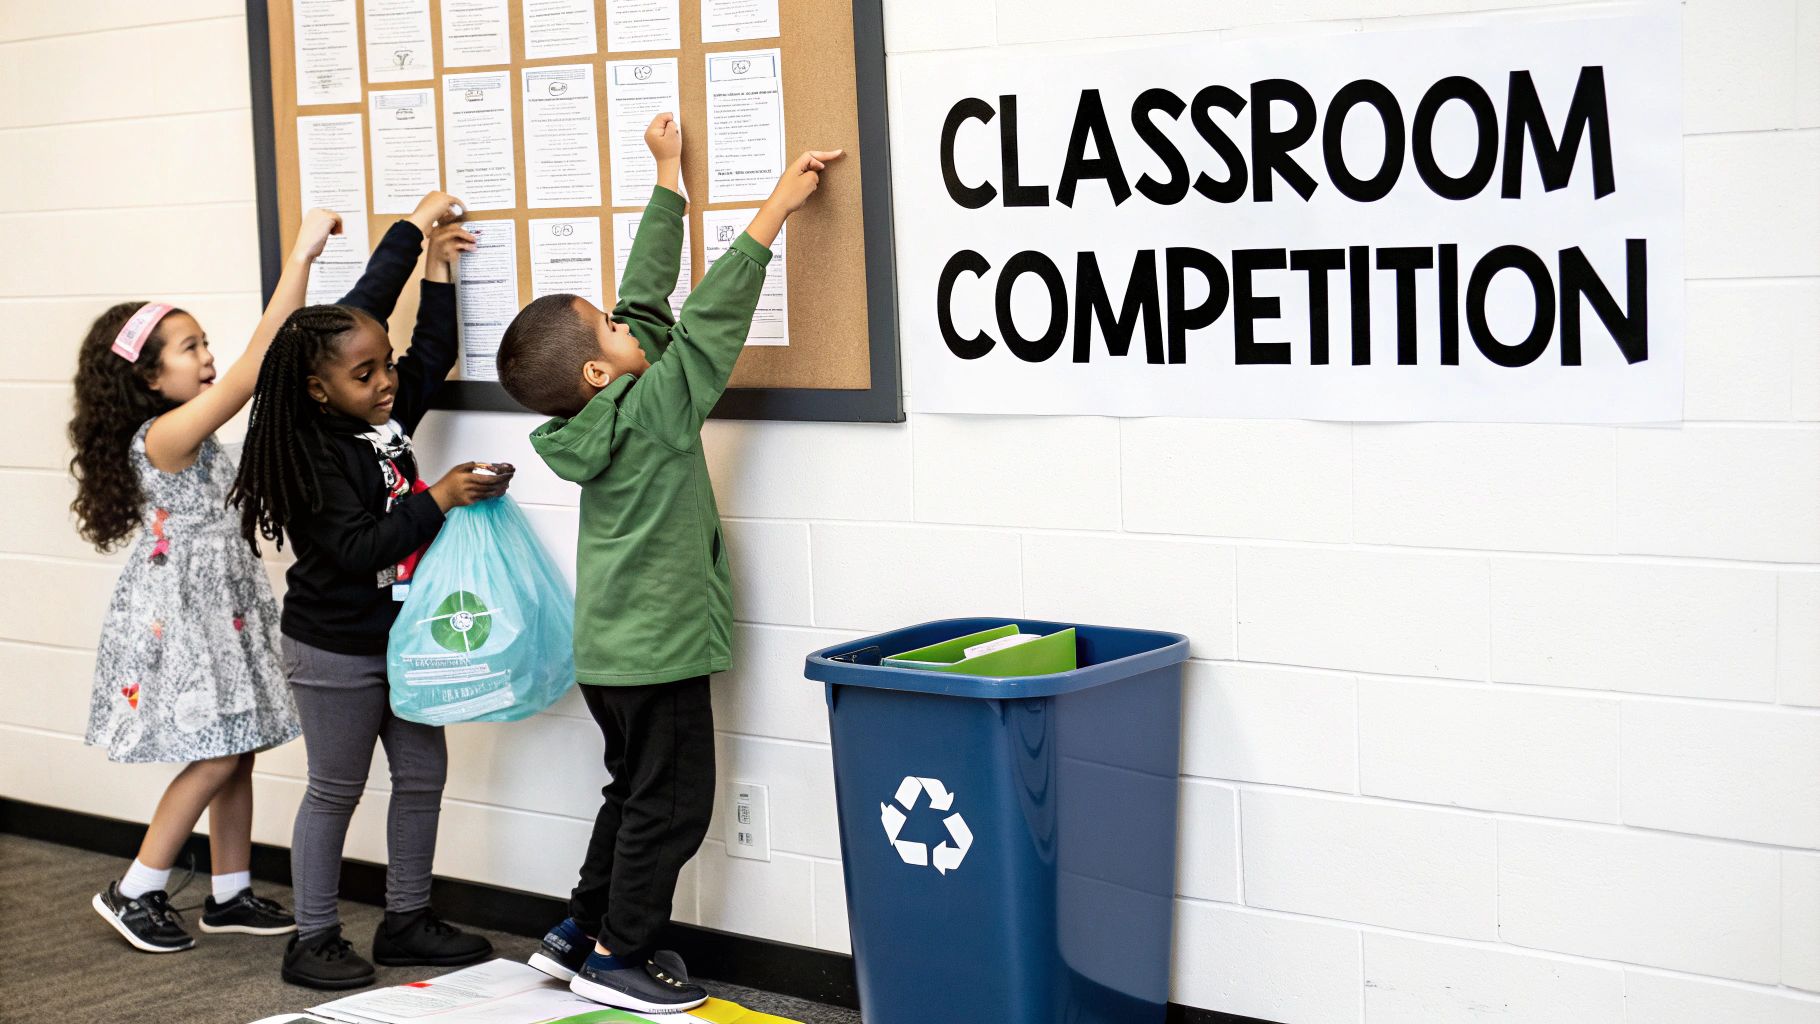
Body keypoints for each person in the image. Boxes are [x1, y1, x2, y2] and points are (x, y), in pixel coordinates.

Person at [494, 111, 842, 1013]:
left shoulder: (602, 410)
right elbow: (712, 321)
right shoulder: (656, 408)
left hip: (612, 653)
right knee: (674, 806)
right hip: (658, 653)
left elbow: (645, 302)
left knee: (632, 791)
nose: (626, 323)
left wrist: (667, 180)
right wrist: (774, 211)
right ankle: (620, 954)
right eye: (609, 331)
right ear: (606, 372)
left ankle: (579, 929)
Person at [228, 191, 515, 990]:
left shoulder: (382, 416)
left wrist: (434, 265)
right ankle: (312, 936)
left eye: (384, 365)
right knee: (335, 790)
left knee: (423, 776)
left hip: (406, 639)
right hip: (334, 648)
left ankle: (407, 919)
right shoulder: (315, 452)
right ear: (320, 389)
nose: (388, 380)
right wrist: (440, 497)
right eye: (366, 373)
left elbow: (424, 346)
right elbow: (356, 548)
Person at [72, 208, 344, 954]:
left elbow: (254, 363)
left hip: (219, 601)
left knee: (243, 741)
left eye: (203, 343)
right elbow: (261, 362)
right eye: (190, 347)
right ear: (149, 376)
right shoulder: (165, 434)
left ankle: (228, 892)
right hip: (184, 611)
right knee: (218, 748)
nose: (207, 355)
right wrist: (302, 258)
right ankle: (136, 888)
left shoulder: (185, 427)